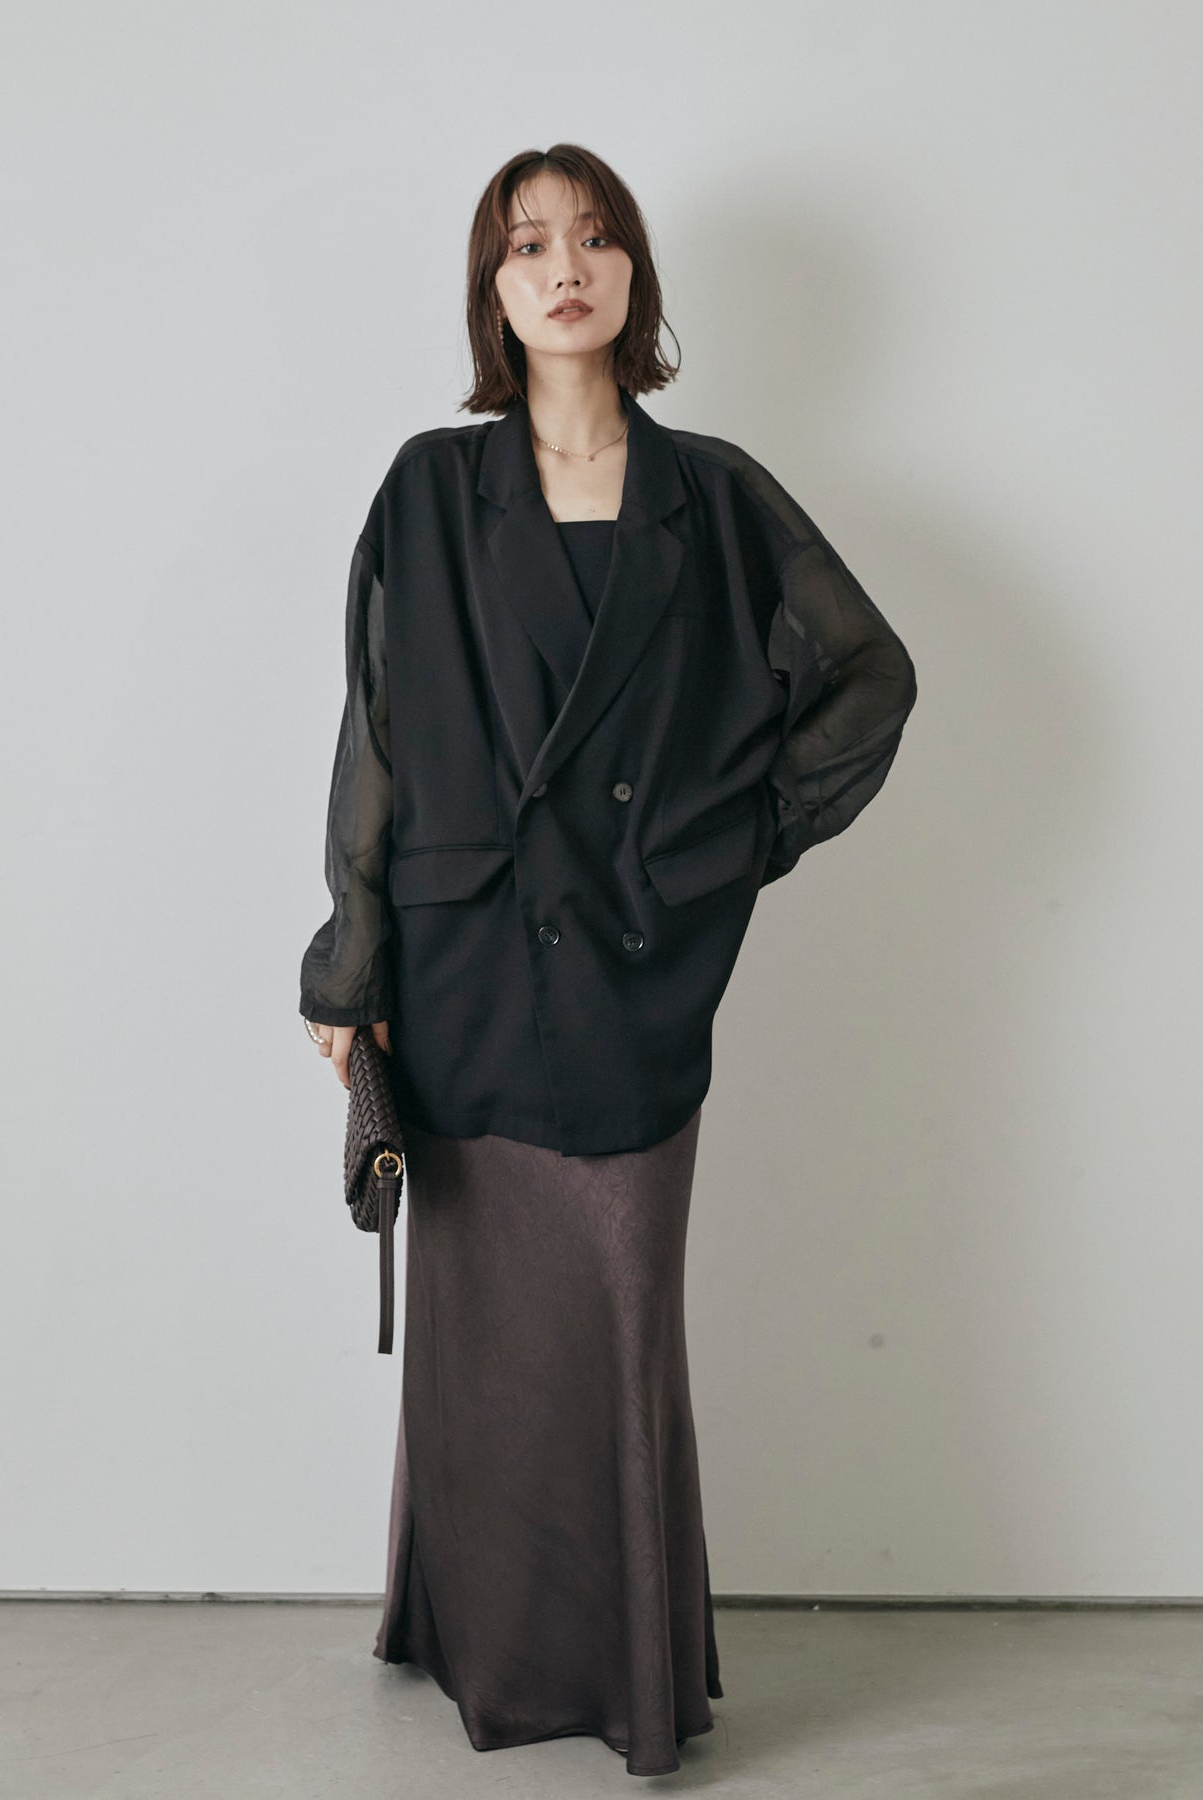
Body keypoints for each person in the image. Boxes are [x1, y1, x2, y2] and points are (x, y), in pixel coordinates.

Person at [299, 143, 918, 1778]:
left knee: (618, 1312)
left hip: (638, 965)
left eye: (592, 238)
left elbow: (868, 675)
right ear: (492, 289)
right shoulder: (430, 489)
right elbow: (376, 733)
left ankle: (620, 1672)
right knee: (480, 1335)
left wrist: (735, 839)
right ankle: (470, 1637)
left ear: (633, 272)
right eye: (526, 246)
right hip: (464, 961)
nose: (562, 268)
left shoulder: (710, 492)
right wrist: (347, 963)